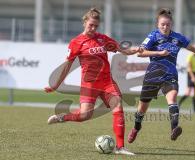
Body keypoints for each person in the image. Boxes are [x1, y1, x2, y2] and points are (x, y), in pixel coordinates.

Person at [44, 8, 139, 155]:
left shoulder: (103, 39)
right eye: (90, 25)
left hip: (107, 81)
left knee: (118, 106)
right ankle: (63, 117)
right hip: (89, 84)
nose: (93, 28)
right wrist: (55, 85)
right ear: (84, 23)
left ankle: (120, 147)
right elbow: (67, 67)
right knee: (84, 116)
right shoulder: (76, 42)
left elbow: (123, 50)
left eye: (96, 26)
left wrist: (137, 49)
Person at [127, 8, 195, 143]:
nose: (165, 27)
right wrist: (159, 54)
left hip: (170, 74)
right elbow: (140, 53)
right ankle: (136, 128)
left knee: (172, 97)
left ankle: (174, 129)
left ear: (171, 25)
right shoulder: (153, 36)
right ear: (158, 25)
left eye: (167, 24)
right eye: (162, 24)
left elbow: (189, 46)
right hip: (153, 74)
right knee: (142, 109)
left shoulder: (178, 37)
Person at [178, 43, 195, 113]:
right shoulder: (190, 56)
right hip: (190, 75)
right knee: (188, 92)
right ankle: (177, 105)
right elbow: (189, 68)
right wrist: (193, 77)